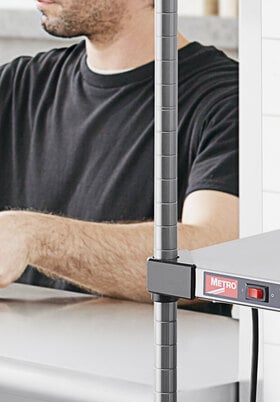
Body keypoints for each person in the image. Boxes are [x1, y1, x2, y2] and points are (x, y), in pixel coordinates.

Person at [0, 0, 239, 304]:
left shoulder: (227, 101)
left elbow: (214, 257)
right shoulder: (19, 85)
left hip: (153, 351)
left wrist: (35, 238)